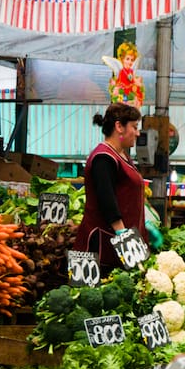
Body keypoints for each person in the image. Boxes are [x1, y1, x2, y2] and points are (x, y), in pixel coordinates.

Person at [73, 102, 147, 270]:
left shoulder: (122, 156)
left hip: (115, 246)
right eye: (134, 127)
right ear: (119, 126)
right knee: (86, 295)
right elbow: (107, 199)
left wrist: (144, 225)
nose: (138, 133)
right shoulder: (103, 158)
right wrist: (123, 236)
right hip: (99, 246)